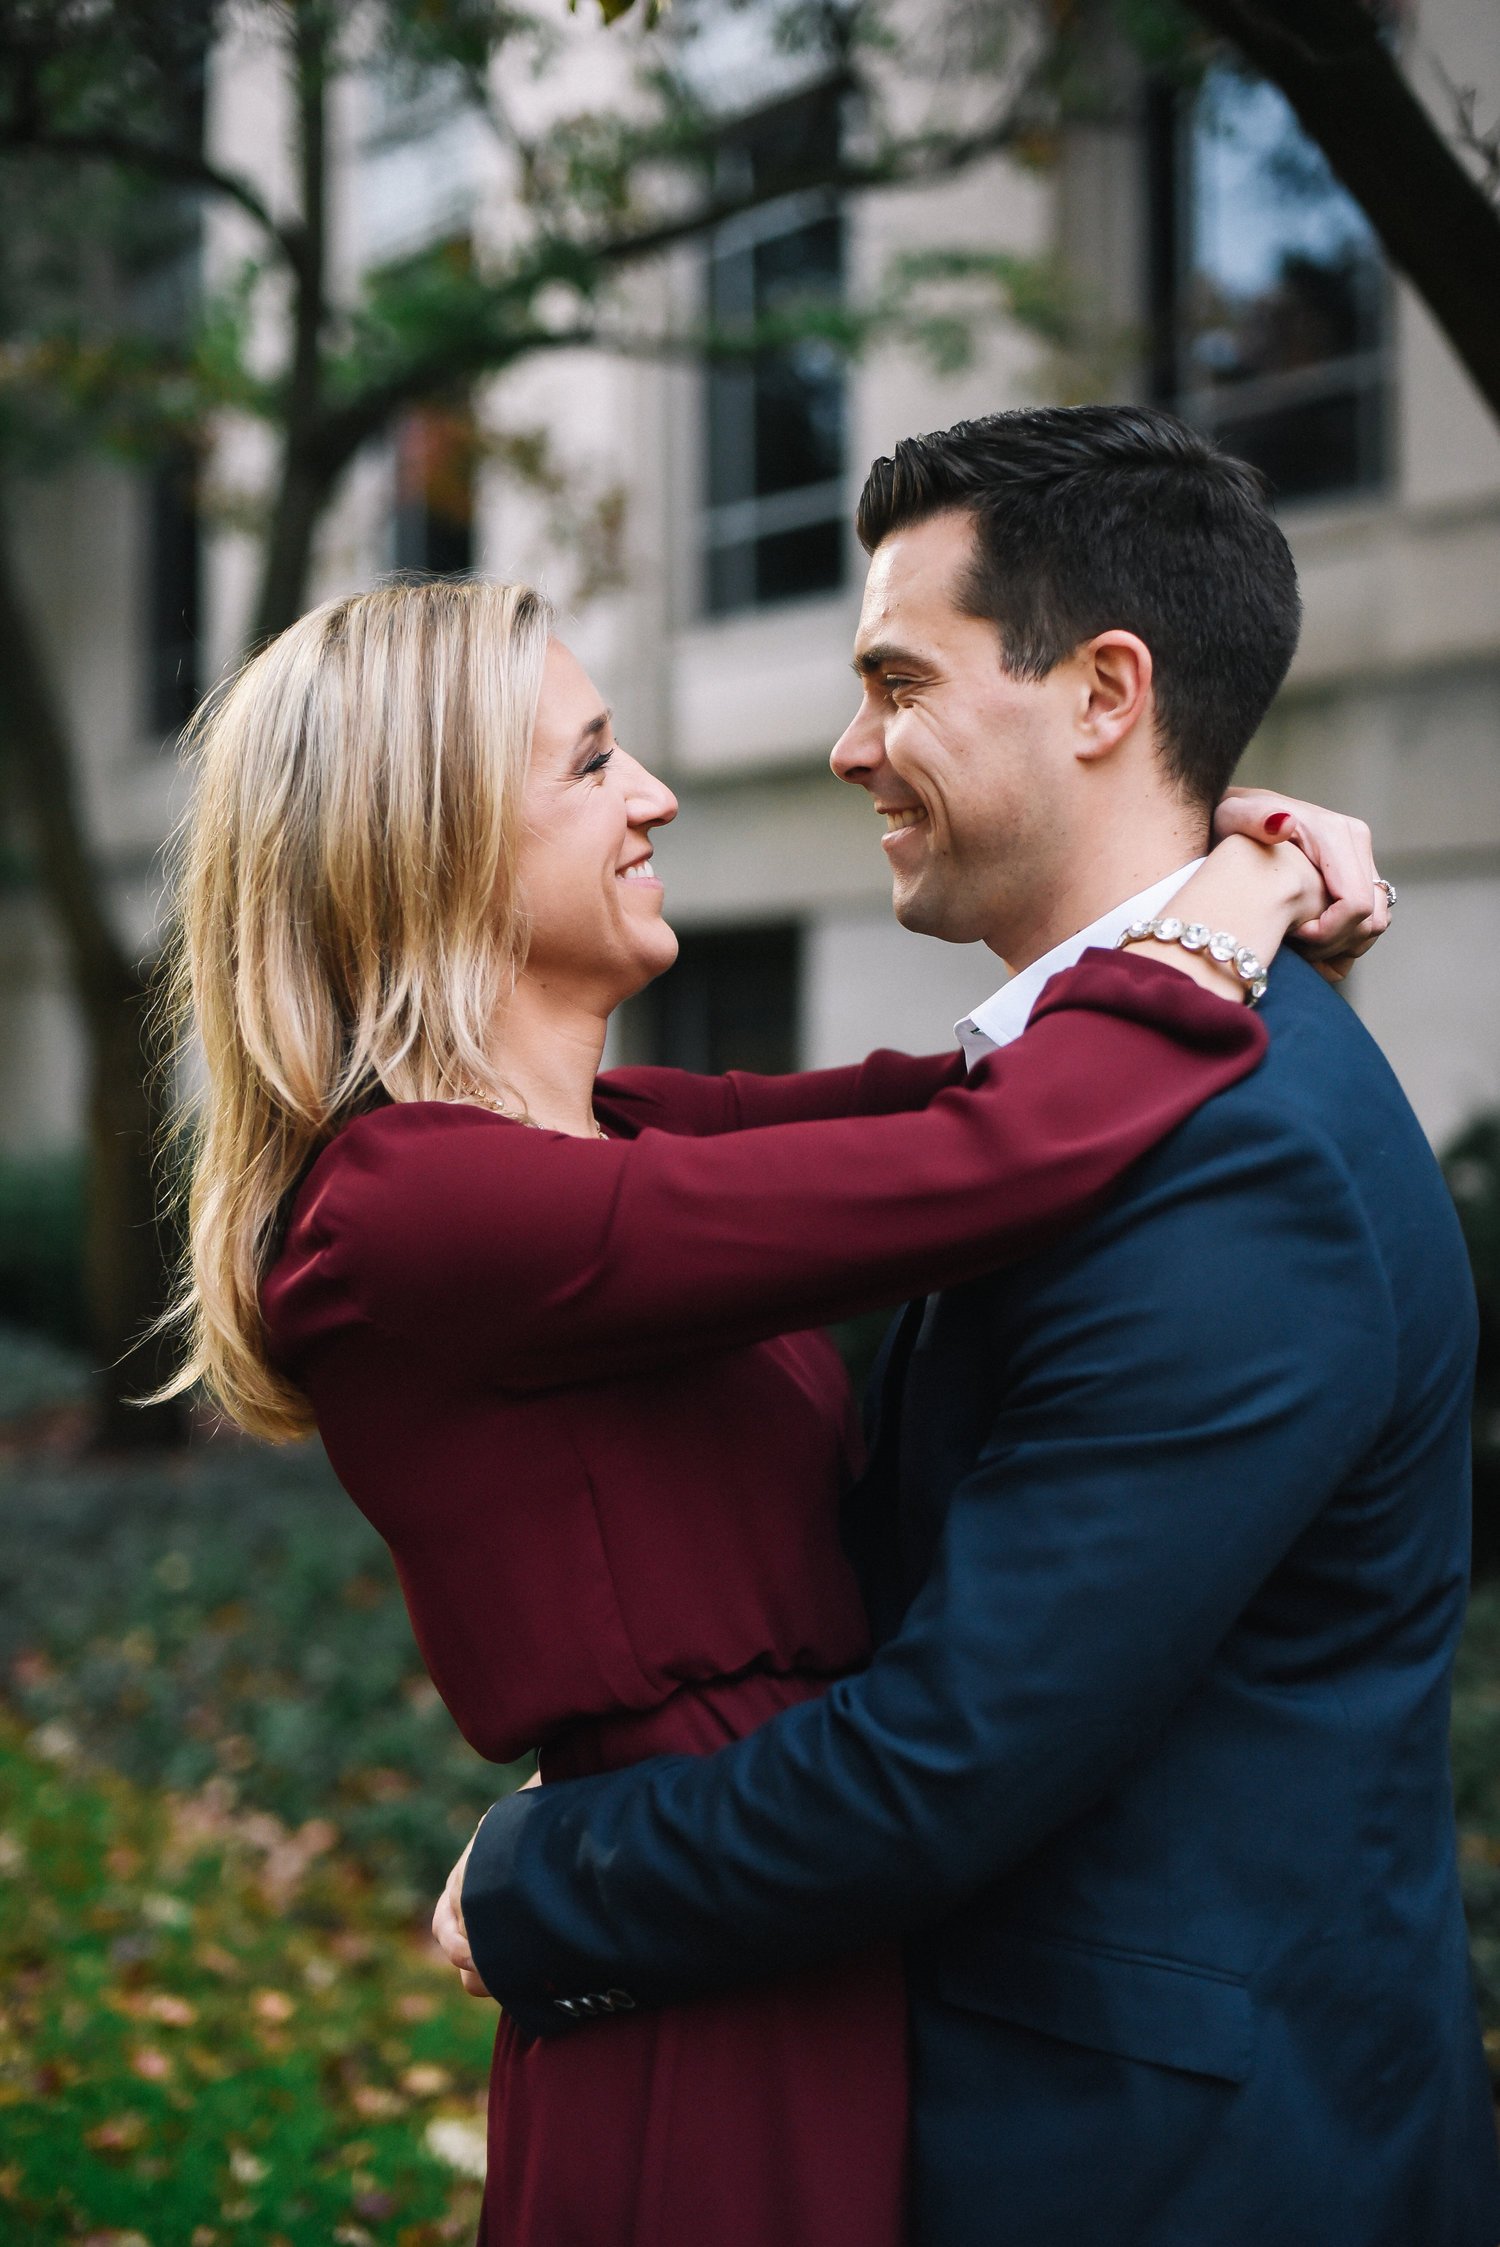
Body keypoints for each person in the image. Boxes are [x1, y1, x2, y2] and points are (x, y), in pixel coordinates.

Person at [152, 547, 1374, 2244]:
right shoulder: (424, 1211)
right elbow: (998, 1155)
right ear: (422, 847)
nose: (652, 794)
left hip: (775, 1900)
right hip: (706, 1972)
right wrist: (1224, 910)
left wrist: (1199, 877)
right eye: (587, 764)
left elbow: (955, 1087)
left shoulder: (611, 1138)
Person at [438, 409, 1500, 2247]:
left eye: (898, 682)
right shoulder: (1099, 1089)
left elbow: (954, 1751)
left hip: (1163, 2171)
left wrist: (548, 1878)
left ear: (1103, 692)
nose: (848, 748)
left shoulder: (1240, 1167)